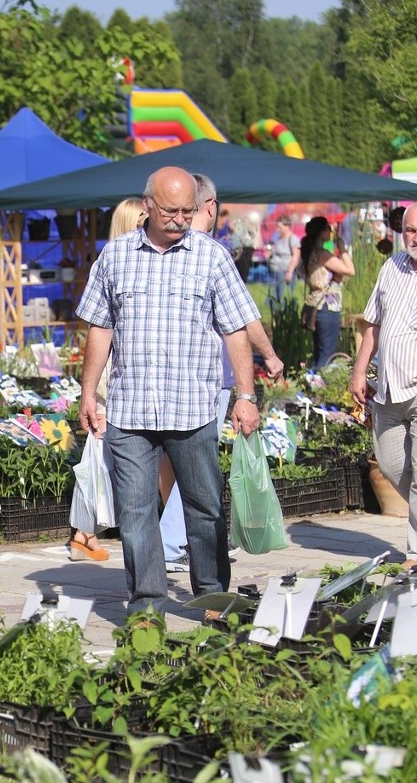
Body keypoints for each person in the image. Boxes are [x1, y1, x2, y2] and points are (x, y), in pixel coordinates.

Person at [76, 166, 261, 615]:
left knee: (204, 511)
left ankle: (213, 596)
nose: (181, 218)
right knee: (136, 514)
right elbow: (100, 329)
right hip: (130, 409)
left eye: (188, 210)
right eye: (172, 210)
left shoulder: (212, 257)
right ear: (148, 206)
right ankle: (146, 608)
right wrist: (87, 393)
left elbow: (235, 328)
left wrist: (245, 394)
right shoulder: (115, 257)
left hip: (192, 407)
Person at [158, 174, 284, 573]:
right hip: (206, 376)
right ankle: (171, 541)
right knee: (198, 462)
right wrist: (270, 355)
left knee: (173, 461)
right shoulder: (213, 254)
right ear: (209, 206)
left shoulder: (156, 249)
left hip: (160, 375)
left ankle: (170, 538)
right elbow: (243, 319)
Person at [351, 200, 417, 568]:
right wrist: (359, 370)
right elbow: (374, 324)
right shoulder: (391, 268)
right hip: (389, 389)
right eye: (411, 230)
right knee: (393, 465)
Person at [68, 197, 144, 561]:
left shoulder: (110, 261)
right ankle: (84, 534)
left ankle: (86, 535)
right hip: (116, 379)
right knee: (106, 457)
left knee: (102, 457)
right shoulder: (120, 262)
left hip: (112, 379)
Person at [300, 216, 355, 370]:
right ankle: (320, 389)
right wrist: (342, 249)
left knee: (319, 352)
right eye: (328, 229)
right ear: (322, 231)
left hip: (315, 305)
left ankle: (312, 386)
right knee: (326, 354)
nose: (330, 232)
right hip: (327, 307)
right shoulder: (322, 253)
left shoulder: (309, 251)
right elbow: (350, 270)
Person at [267, 215, 301, 304]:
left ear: (287, 226)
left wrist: (290, 272)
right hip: (276, 271)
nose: (277, 229)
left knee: (284, 297)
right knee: (275, 297)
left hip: (285, 271)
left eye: (279, 227)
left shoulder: (292, 239)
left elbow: (296, 256)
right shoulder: (279, 238)